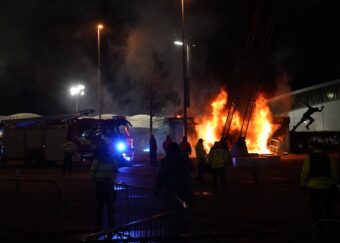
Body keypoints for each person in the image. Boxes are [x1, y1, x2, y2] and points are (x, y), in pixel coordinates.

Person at [301, 141, 338, 232]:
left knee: (316, 207)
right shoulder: (327, 157)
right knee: (329, 207)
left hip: (313, 186)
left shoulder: (310, 157)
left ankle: (318, 227)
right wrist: (334, 183)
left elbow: (305, 172)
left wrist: (303, 184)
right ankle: (333, 226)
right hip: (326, 186)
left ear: (313, 148)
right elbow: (334, 171)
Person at [154, 142, 194, 208]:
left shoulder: (166, 161)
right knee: (183, 208)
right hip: (184, 189)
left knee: (172, 209)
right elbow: (191, 168)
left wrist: (157, 188)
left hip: (171, 189)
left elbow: (161, 176)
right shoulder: (184, 159)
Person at [90, 144, 117, 231]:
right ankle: (111, 223)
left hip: (100, 185)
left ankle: (99, 223)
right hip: (109, 185)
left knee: (100, 205)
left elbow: (92, 172)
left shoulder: (97, 160)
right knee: (110, 205)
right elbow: (115, 170)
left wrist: (93, 179)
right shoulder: (112, 159)